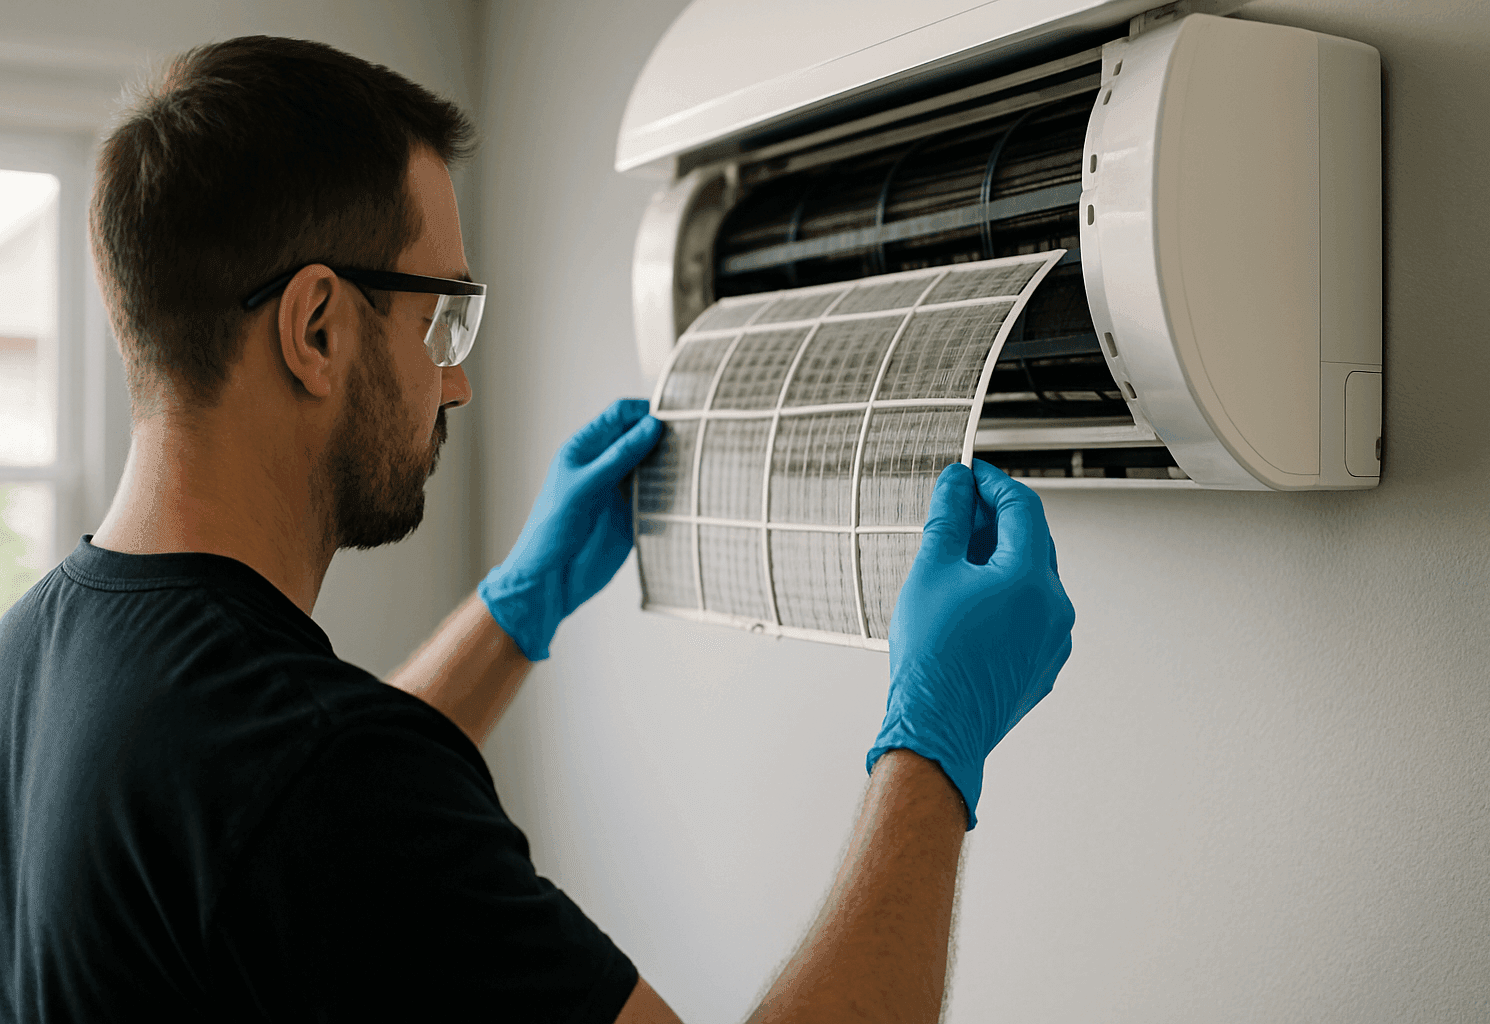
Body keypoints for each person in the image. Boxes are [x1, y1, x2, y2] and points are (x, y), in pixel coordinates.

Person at [0, 35, 1075, 1024]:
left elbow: (266, 829)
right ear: (317, 327)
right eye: (442, 317)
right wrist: (935, 742)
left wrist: (521, 602)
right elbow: (314, 807)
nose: (456, 379)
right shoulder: (322, 786)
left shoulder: (38, 652)